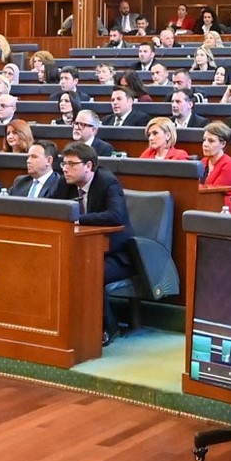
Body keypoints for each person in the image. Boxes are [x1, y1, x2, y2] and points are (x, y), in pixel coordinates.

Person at [51, 142, 137, 344]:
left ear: (88, 166)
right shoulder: (65, 183)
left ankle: (107, 327)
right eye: (64, 164)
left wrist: (78, 219)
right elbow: (53, 209)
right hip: (81, 251)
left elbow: (115, 216)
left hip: (117, 254)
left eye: (71, 164)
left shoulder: (107, 182)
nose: (65, 169)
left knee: (87, 272)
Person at [198, 122, 231, 203]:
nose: (205, 144)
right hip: (204, 203)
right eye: (204, 140)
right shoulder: (203, 162)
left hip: (223, 206)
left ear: (223, 144)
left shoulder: (229, 166)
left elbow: (213, 193)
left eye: (211, 141)